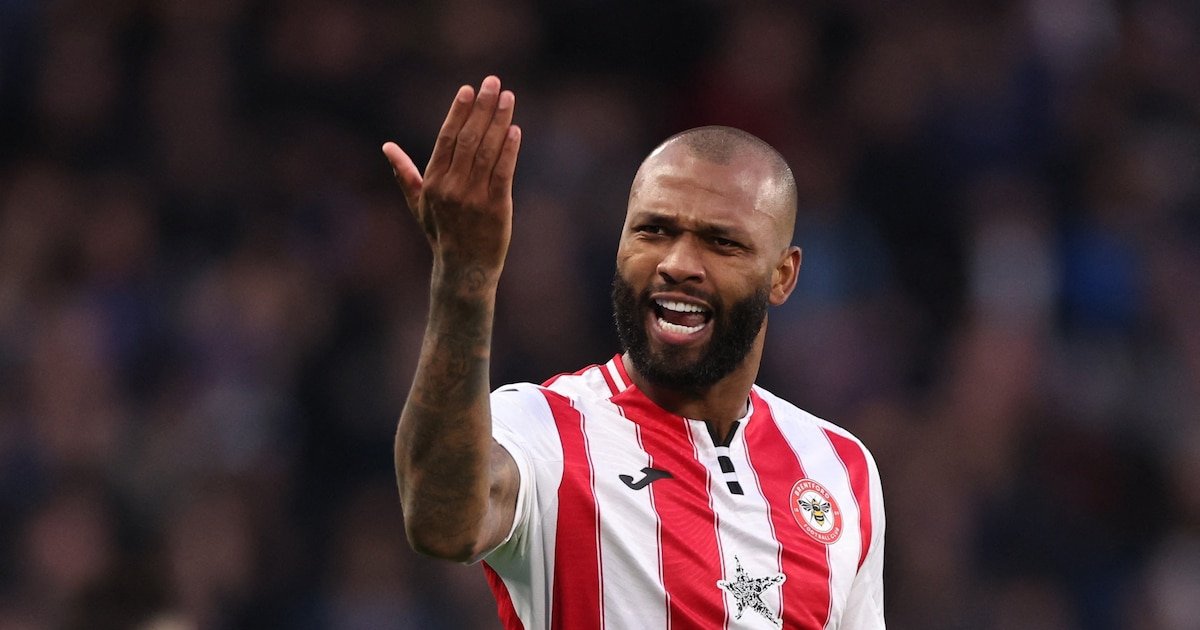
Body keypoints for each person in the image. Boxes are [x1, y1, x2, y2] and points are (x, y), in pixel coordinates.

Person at [384, 75, 885, 629]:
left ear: (782, 275)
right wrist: (463, 277)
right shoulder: (543, 428)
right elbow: (439, 523)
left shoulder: (841, 468)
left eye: (721, 242)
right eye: (654, 231)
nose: (678, 263)